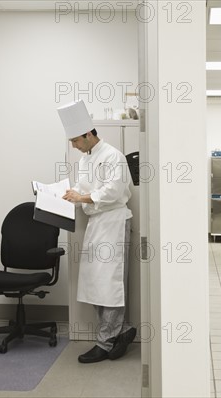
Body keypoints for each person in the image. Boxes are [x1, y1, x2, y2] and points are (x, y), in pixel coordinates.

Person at [57, 100, 137, 363]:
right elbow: (82, 189)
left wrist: (83, 198)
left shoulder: (113, 155)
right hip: (96, 225)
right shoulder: (84, 160)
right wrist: (67, 196)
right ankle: (119, 332)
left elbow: (114, 191)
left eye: (75, 140)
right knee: (94, 284)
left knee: (109, 284)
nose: (73, 145)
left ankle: (105, 342)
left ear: (88, 134)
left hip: (113, 223)